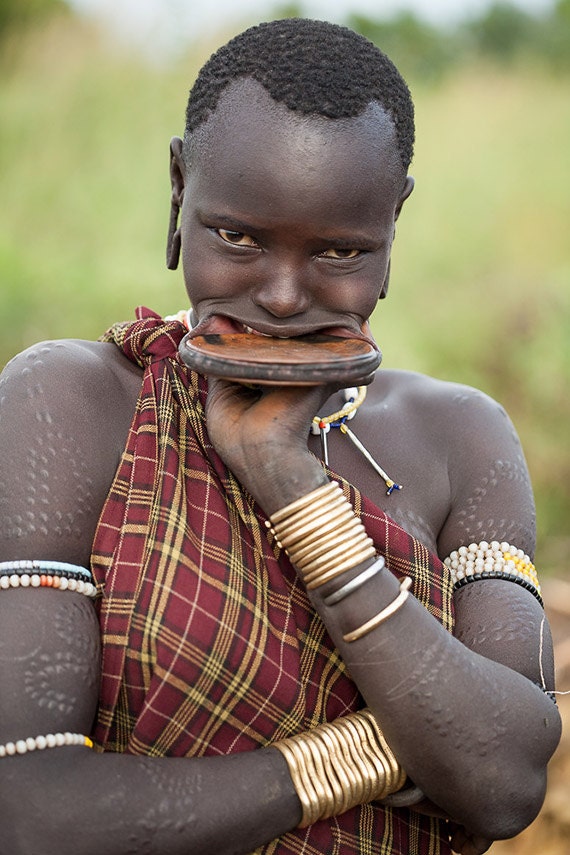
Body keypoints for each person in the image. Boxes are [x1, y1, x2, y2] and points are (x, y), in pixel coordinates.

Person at [0, 17, 561, 855]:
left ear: (394, 224)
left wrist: (287, 479)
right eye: (239, 237)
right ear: (179, 187)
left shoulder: (460, 438)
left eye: (340, 250)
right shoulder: (69, 405)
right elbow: (28, 811)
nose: (287, 297)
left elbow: (506, 780)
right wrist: (374, 751)